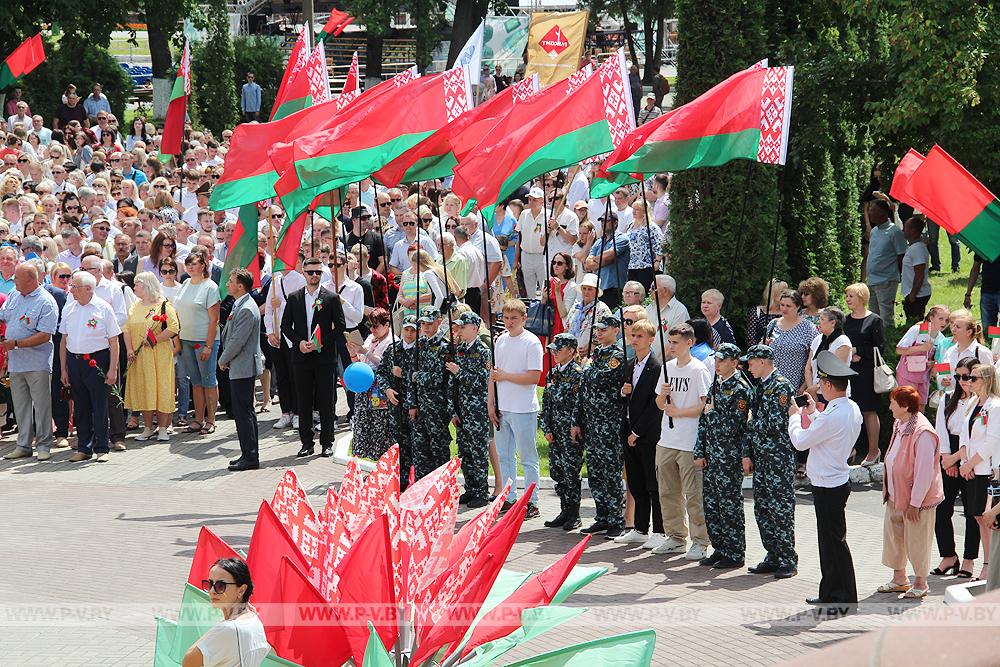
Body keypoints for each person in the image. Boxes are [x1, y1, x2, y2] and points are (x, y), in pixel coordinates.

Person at [788, 351, 864, 609]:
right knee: (832, 541)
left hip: (827, 484)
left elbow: (800, 440)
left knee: (832, 542)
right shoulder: (849, 408)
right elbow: (828, 431)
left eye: (822, 384)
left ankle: (841, 594)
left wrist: (795, 416)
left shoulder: (833, 415)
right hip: (835, 480)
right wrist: (813, 412)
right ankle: (832, 591)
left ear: (830, 385)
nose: (820, 388)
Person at [878, 385, 945, 599]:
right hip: (896, 495)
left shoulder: (923, 432)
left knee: (917, 541)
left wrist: (915, 503)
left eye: (893, 403)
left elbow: (924, 472)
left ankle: (921, 583)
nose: (889, 407)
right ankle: (899, 579)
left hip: (917, 501)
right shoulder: (900, 423)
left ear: (904, 406)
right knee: (894, 538)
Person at [651, 322, 711, 558]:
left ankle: (700, 541)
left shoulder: (698, 370)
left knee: (693, 494)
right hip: (667, 439)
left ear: (689, 343)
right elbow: (658, 403)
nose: (671, 346)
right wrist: (664, 396)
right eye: (670, 341)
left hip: (689, 441)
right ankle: (675, 536)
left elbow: (705, 405)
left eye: (676, 342)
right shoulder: (667, 368)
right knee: (667, 491)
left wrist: (679, 412)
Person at [742, 344, 798, 579]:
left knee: (780, 509)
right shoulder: (760, 386)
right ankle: (773, 555)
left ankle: (787, 558)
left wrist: (750, 423)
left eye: (752, 362)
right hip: (763, 458)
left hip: (778, 458)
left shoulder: (780, 386)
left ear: (763, 362)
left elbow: (776, 423)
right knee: (763, 508)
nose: (748, 366)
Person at [693, 343, 751, 568]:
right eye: (716, 360)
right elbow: (703, 420)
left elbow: (734, 424)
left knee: (729, 505)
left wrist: (713, 413)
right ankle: (720, 547)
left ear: (734, 363)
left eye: (722, 360)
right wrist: (700, 450)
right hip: (712, 455)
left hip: (728, 456)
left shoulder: (740, 387)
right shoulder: (716, 384)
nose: (717, 364)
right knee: (712, 504)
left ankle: (735, 552)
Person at [281, 257, 345, 458]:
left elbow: (341, 326)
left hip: (324, 357)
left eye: (318, 272)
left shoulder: (331, 298)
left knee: (326, 401)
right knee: (304, 401)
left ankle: (327, 442)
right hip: (301, 356)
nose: (314, 276)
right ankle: (306, 442)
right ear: (303, 273)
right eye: (310, 272)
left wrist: (322, 342)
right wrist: (299, 342)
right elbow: (285, 326)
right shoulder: (294, 297)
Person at [60, 271, 122, 463]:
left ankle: (101, 447)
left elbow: (114, 341)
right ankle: (84, 447)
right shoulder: (70, 308)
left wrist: (112, 369)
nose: (71, 291)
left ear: (88, 289)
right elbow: (64, 340)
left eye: (75, 287)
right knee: (80, 406)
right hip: (75, 361)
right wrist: (64, 369)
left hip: (97, 360)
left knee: (99, 405)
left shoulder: (103, 308)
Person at [489, 299, 542, 517]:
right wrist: (491, 403)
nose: (509, 322)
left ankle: (532, 501)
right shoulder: (500, 340)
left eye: (514, 318)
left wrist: (505, 376)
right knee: (504, 456)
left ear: (524, 319)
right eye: (506, 318)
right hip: (503, 407)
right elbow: (493, 375)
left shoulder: (532, 342)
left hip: (523, 407)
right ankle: (508, 497)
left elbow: (534, 377)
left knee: (528, 457)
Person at [0, 264, 59, 461]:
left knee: (41, 406)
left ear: (30, 279)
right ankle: (23, 445)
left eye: (17, 277)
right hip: (16, 363)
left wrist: (16, 343)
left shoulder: (46, 301)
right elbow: (3, 315)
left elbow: (45, 335)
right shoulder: (15, 295)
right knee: (21, 406)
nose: (13, 281)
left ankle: (43, 445)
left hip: (37, 362)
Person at [616, 320, 665, 548]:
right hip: (628, 430)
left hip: (647, 433)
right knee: (635, 481)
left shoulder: (657, 368)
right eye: (632, 335)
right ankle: (640, 527)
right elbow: (629, 399)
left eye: (640, 336)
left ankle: (660, 530)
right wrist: (624, 392)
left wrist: (637, 431)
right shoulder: (628, 365)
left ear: (651, 339)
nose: (634, 340)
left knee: (652, 482)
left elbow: (654, 406)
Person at [577, 314, 627, 538]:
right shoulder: (596, 354)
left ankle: (616, 519)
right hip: (592, 422)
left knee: (610, 472)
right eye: (597, 329)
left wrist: (586, 369)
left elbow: (599, 379)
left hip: (608, 423)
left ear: (615, 330)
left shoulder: (617, 355)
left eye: (603, 329)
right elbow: (585, 388)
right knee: (595, 472)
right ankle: (602, 516)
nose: (598, 333)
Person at [933, 356, 981, 579]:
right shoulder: (948, 397)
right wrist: (946, 459)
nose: (962, 381)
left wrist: (959, 460)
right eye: (958, 376)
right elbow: (940, 428)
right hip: (949, 452)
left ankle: (970, 559)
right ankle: (948, 555)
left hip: (970, 456)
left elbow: (974, 435)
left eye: (967, 376)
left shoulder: (981, 402)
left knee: (972, 511)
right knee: (942, 509)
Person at [122, 272, 179, 442]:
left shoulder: (163, 305)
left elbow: (174, 327)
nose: (134, 288)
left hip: (159, 354)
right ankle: (147, 428)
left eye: (137, 284)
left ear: (146, 286)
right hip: (140, 357)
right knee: (145, 389)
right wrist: (130, 349)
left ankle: (162, 428)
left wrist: (155, 339)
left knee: (161, 388)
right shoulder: (135, 306)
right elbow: (127, 329)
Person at [185, 558, 272, 667]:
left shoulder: (228, 628)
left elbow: (188, 661)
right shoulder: (255, 621)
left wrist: (219, 626)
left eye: (220, 586)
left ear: (241, 590)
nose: (212, 591)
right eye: (210, 584)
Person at [957, 363, 1000, 581]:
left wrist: (970, 464)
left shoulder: (995, 406)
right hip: (972, 469)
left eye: (974, 378)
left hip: (986, 470)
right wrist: (964, 462)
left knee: (988, 519)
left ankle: (989, 565)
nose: (969, 382)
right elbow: (963, 436)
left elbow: (992, 441)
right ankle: (988, 563)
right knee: (977, 517)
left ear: (987, 380)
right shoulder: (972, 403)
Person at [541, 333, 586, 531]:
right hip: (555, 432)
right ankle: (564, 510)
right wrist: (547, 428)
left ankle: (574, 514)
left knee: (571, 472)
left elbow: (579, 405)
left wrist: (575, 426)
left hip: (569, 432)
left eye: (559, 349)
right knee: (557, 471)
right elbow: (547, 403)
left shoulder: (577, 374)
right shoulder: (553, 373)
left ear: (571, 351)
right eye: (553, 349)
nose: (555, 353)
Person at [446, 311, 491, 507]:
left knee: (478, 451)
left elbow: (483, 381)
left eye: (463, 326)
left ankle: (481, 491)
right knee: (464, 451)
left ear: (474, 327)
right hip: (462, 409)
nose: (459, 330)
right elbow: (452, 382)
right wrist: (453, 410)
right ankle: (470, 488)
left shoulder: (483, 351)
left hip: (478, 410)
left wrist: (460, 372)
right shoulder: (460, 349)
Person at [220, 269, 263, 472]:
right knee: (245, 411)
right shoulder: (241, 304)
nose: (227, 284)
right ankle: (248, 453)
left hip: (242, 366)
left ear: (240, 286)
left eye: (231, 281)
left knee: (243, 412)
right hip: (240, 366)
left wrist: (223, 358)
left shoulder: (246, 308)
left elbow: (238, 340)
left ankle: (250, 456)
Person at [174, 251, 220, 435]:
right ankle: (198, 419)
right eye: (188, 263)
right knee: (196, 382)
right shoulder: (185, 283)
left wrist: (209, 346)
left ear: (203, 266)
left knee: (209, 381)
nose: (191, 267)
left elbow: (214, 320)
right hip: (186, 339)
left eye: (195, 263)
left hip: (203, 340)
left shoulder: (210, 287)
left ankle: (211, 420)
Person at [405, 306, 452, 477]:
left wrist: (419, 376)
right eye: (423, 323)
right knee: (420, 450)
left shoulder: (445, 346)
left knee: (439, 448)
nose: (425, 326)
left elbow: (439, 378)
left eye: (429, 323)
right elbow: (410, 376)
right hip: (420, 407)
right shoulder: (420, 344)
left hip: (437, 407)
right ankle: (421, 488)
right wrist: (412, 404)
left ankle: (442, 486)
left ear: (439, 322)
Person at [844, 283, 886, 466]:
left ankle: (873, 450)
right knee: (848, 411)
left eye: (851, 296)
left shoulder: (874, 320)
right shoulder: (845, 320)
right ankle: (849, 449)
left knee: (869, 410)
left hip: (867, 372)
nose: (847, 299)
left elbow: (880, 347)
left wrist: (858, 350)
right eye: (847, 296)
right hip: (848, 372)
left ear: (862, 297)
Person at [376, 314, 418, 490]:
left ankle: (417, 480)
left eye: (413, 330)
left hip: (415, 405)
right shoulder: (393, 349)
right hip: (396, 405)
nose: (409, 334)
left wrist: (403, 373)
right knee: (398, 442)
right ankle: (400, 480)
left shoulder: (421, 350)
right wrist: (386, 389)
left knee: (417, 443)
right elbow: (381, 372)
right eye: (406, 329)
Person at [347, 308, 393, 461]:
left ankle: (384, 468)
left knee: (380, 428)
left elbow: (384, 364)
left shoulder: (391, 341)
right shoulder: (369, 339)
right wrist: (354, 353)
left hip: (379, 389)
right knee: (365, 427)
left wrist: (365, 352)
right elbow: (359, 363)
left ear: (386, 325)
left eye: (376, 326)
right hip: (364, 389)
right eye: (371, 326)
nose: (372, 330)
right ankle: (373, 468)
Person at [764, 289, 818, 395]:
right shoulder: (773, 324)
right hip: (770, 385)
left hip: (794, 385)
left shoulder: (808, 327)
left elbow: (814, 357)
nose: (784, 309)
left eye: (788, 306)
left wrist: (805, 385)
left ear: (798, 307)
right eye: (782, 305)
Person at [895, 305, 949, 408]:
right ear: (931, 318)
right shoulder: (917, 329)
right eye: (941, 319)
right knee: (905, 408)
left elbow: (941, 360)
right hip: (906, 376)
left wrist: (934, 365)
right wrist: (921, 348)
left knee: (920, 409)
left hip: (923, 379)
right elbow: (899, 350)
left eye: (947, 320)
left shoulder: (942, 338)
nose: (944, 323)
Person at [865, 199, 906, 328]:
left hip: (886, 280)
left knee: (886, 317)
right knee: (873, 316)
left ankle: (888, 342)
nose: (870, 214)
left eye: (873, 211)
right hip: (872, 280)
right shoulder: (874, 231)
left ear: (883, 213)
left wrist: (901, 277)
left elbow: (901, 255)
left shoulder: (894, 232)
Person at [803, 307, 852, 404]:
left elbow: (835, 372)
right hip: (815, 393)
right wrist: (811, 391)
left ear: (832, 323)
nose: (818, 322)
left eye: (822, 319)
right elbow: (808, 368)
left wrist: (816, 387)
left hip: (835, 395)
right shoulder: (818, 339)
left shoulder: (843, 342)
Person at [584, 210, 630, 308]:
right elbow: (587, 265)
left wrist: (596, 260)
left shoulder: (622, 238)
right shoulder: (598, 242)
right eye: (601, 221)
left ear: (615, 222)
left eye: (607, 221)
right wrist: (602, 259)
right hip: (598, 289)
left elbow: (608, 257)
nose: (603, 224)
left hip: (614, 289)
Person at [567, 272, 611, 356]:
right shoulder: (575, 307)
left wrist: (592, 345)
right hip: (571, 355)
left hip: (591, 356)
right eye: (584, 288)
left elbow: (608, 333)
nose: (586, 292)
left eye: (590, 289)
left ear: (597, 292)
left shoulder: (602, 309)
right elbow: (567, 328)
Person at [647, 274, 690, 359]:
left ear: (665, 291)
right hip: (648, 364)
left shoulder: (680, 311)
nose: (649, 290)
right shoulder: (648, 309)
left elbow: (677, 340)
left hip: (668, 366)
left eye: (653, 287)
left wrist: (657, 364)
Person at [900, 217, 932, 323]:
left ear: (913, 230)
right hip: (914, 293)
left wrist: (913, 294)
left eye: (906, 227)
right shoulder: (914, 247)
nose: (903, 230)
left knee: (915, 323)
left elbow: (919, 274)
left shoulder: (917, 249)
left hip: (918, 294)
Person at [965, 254, 1000, 331]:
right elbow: (975, 268)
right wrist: (968, 294)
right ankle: (993, 340)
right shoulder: (984, 246)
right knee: (989, 329)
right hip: (987, 291)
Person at [746, 279, 786, 347]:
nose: (785, 294)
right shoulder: (756, 312)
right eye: (782, 292)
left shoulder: (787, 313)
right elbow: (750, 339)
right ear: (773, 293)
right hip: (760, 354)